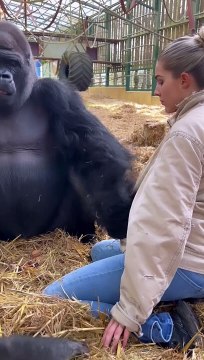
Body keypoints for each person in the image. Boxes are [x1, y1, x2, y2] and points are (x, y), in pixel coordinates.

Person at [43, 27, 204, 352]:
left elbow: (164, 225)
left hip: (187, 259)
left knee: (52, 298)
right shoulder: (194, 119)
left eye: (160, 81)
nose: (155, 91)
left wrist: (131, 309)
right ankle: (175, 297)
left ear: (185, 80)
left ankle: (166, 327)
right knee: (102, 250)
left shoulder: (187, 134)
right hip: (196, 247)